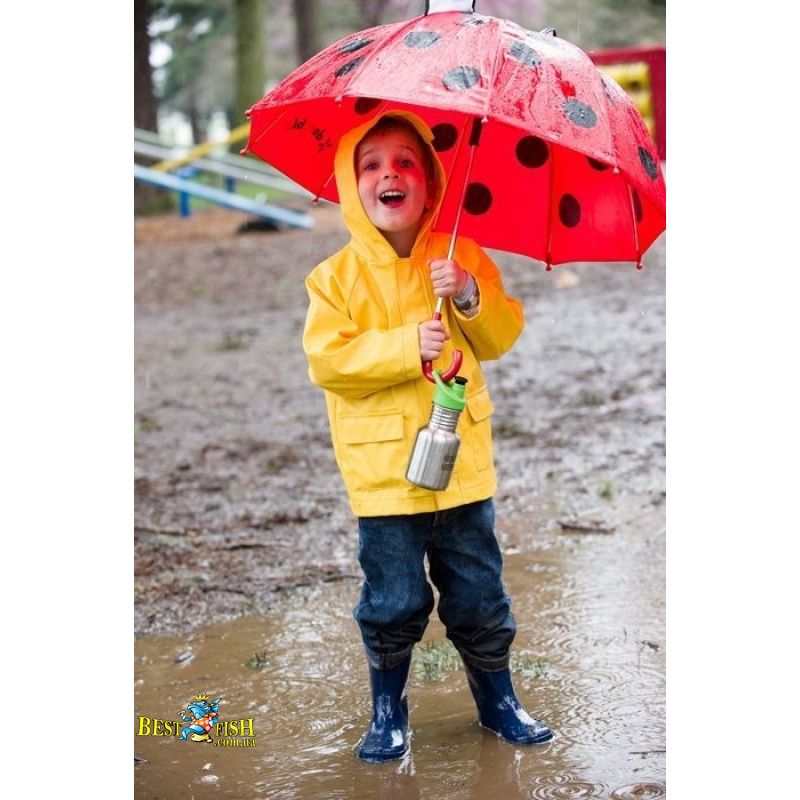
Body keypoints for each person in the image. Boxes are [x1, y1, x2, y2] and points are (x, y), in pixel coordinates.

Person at [302, 111, 553, 763]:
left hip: (461, 468)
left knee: (479, 593)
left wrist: (468, 294)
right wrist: (403, 346)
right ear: (350, 182)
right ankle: (388, 710)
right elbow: (328, 360)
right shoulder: (334, 279)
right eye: (372, 164)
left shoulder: (459, 254)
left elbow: (500, 336)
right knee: (393, 600)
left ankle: (498, 699)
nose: (390, 174)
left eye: (406, 162)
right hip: (386, 478)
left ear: (431, 181)